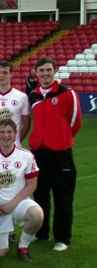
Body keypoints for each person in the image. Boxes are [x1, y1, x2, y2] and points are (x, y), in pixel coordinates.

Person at [28, 57, 82, 251]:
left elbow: (75, 122)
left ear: (54, 71)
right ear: (36, 72)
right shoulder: (33, 95)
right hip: (38, 154)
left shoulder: (66, 93)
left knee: (63, 196)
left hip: (61, 153)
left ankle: (62, 238)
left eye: (48, 70)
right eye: (41, 70)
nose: (45, 73)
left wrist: (62, 138)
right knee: (40, 195)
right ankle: (41, 233)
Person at [0, 118, 44, 261]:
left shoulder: (26, 155)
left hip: (18, 204)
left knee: (37, 214)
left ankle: (23, 247)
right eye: (2, 132)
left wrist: (12, 204)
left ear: (15, 134)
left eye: (9, 132)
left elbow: (31, 185)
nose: (6, 135)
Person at [0, 60, 30, 150]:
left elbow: (26, 124)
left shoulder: (21, 97)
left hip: (14, 147)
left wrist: (16, 140)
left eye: (5, 72)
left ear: (11, 74)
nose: (1, 75)